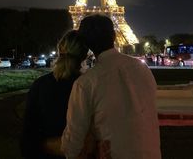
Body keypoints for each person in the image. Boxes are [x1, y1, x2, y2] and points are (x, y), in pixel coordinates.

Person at [62, 14, 161, 159]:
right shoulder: (143, 69)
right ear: (114, 36)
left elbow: (73, 141)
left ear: (85, 43)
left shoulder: (86, 83)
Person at [20, 30, 88, 159]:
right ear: (85, 55)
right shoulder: (88, 87)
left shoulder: (40, 86)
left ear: (59, 50)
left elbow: (27, 136)